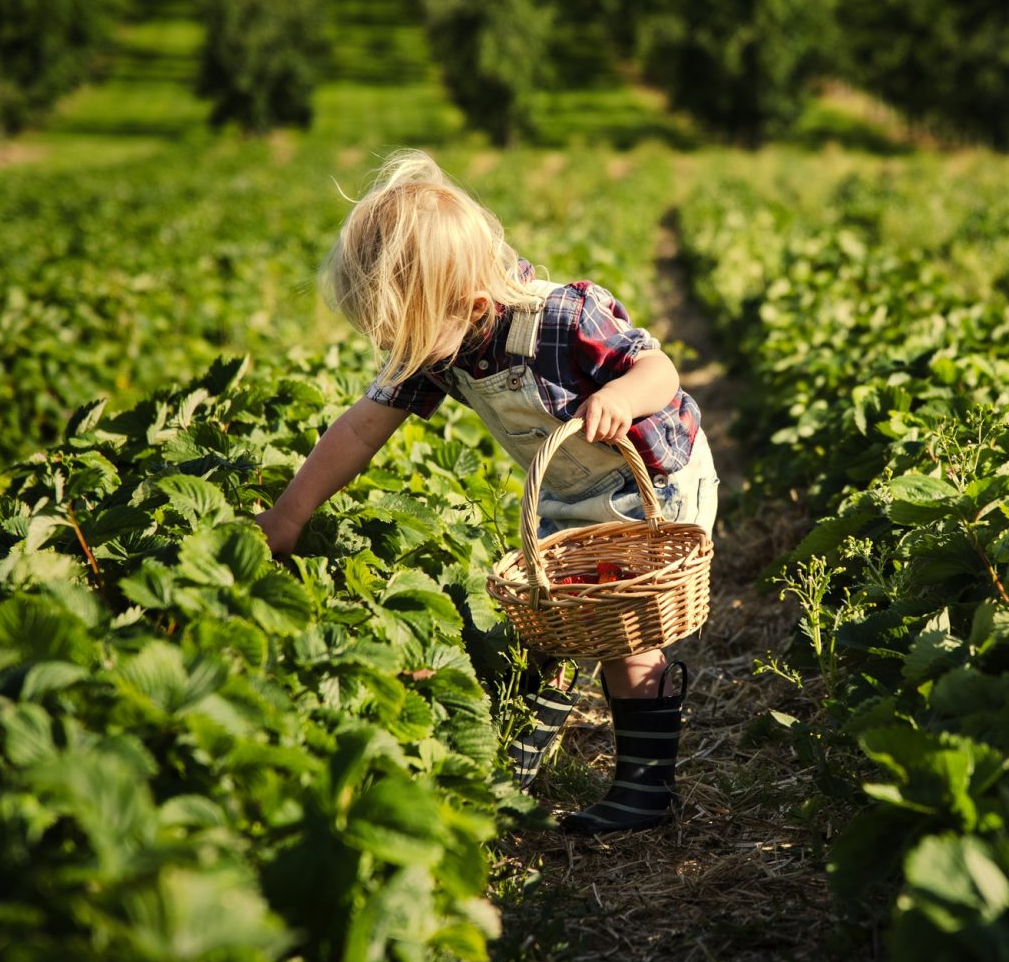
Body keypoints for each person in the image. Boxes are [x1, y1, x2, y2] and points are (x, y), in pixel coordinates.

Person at [254, 149, 719, 835]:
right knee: (547, 618)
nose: (401, 353)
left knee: (625, 633)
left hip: (647, 485)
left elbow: (660, 368)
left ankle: (646, 790)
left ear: (471, 306)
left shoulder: (565, 317)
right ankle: (514, 771)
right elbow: (359, 430)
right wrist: (290, 514)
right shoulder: (439, 342)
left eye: (406, 339)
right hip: (565, 492)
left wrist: (621, 394)